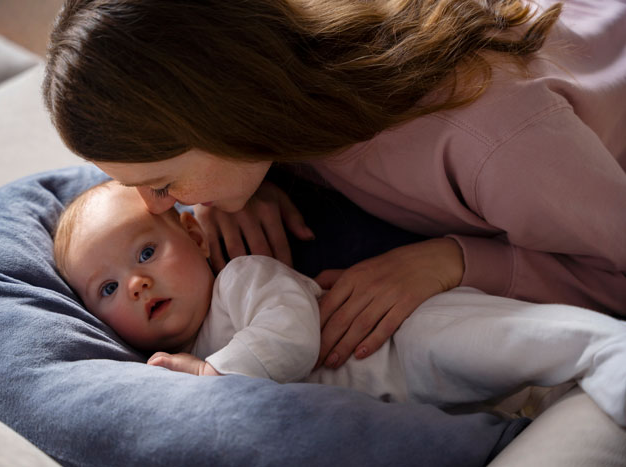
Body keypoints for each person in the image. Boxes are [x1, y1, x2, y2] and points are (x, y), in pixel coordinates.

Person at [43, 0, 626, 371]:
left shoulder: (494, 142)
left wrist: (454, 262)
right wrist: (256, 176)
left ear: (223, 113)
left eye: (164, 184)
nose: (157, 207)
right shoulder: (280, 93)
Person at [52, 180, 626, 427]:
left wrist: (216, 372)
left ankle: (606, 349)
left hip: (403, 340)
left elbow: (293, 333)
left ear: (197, 238)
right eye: (108, 290)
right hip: (416, 405)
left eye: (146, 253)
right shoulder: (165, 371)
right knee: (516, 393)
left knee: (517, 340)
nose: (136, 285)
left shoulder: (241, 282)